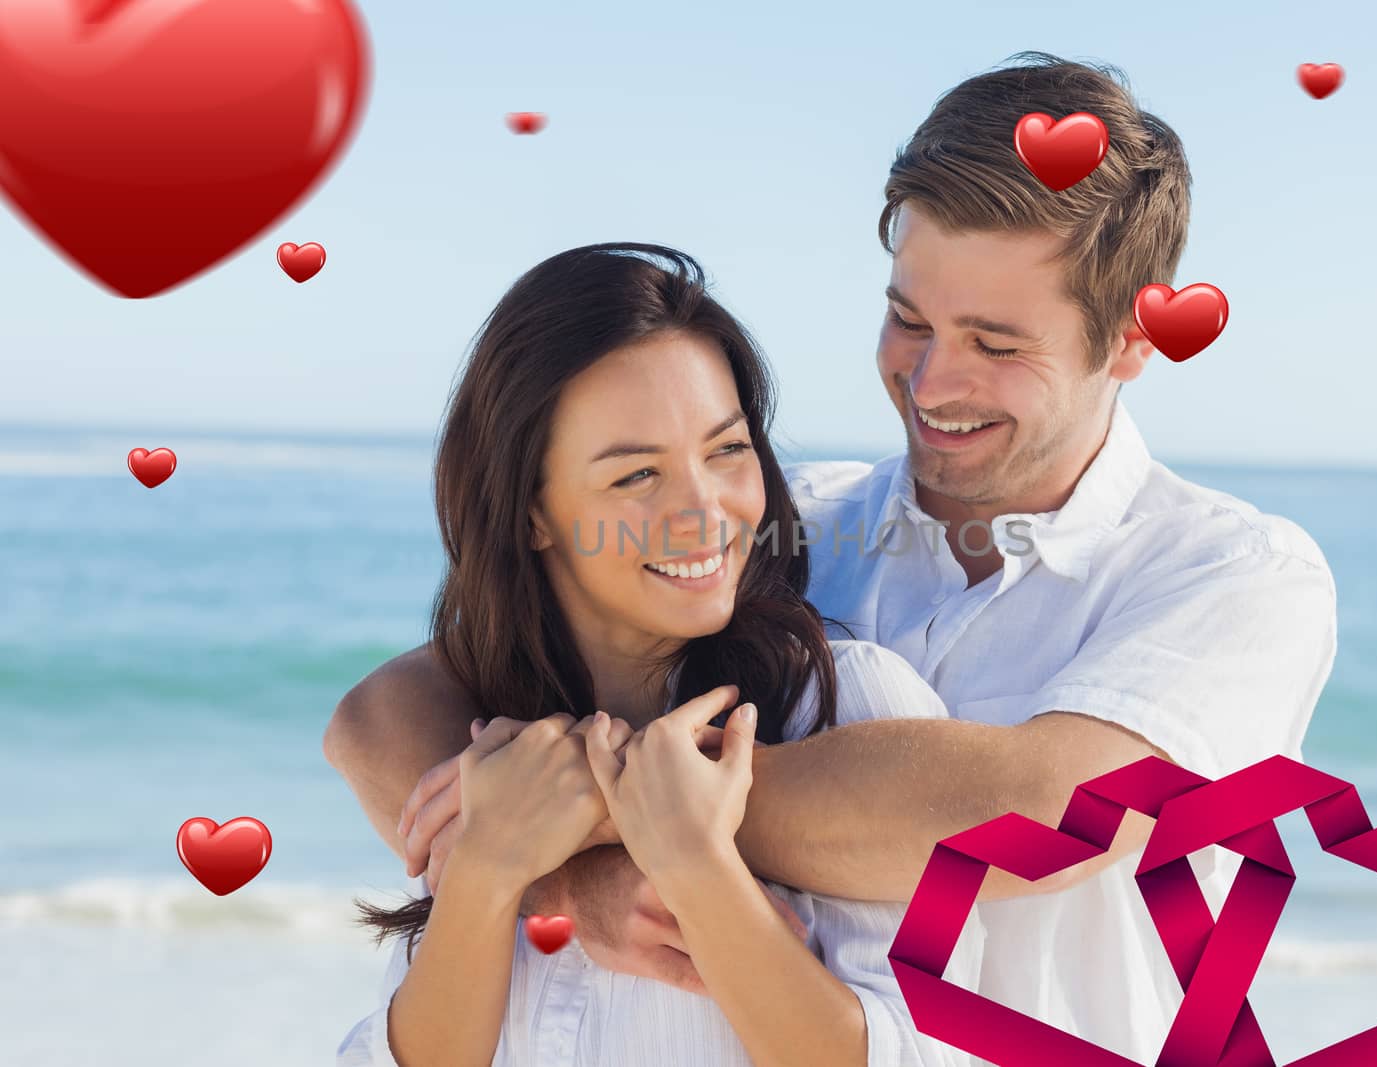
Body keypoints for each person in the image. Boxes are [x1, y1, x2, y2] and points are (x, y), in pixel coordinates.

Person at [326, 53, 1337, 1062]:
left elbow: (1046, 818)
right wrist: (543, 874)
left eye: (994, 343)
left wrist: (603, 812)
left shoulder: (1232, 575)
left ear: (1130, 338)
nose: (932, 379)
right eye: (909, 318)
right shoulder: (771, 531)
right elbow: (390, 709)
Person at [335, 242, 981, 1066]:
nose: (704, 512)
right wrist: (488, 871)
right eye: (637, 475)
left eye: (727, 450)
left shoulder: (847, 706)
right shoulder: (487, 757)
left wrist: (697, 864)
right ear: (533, 510)